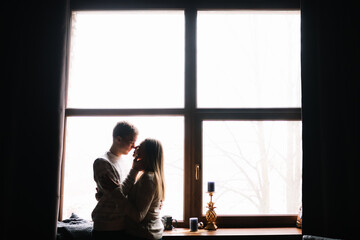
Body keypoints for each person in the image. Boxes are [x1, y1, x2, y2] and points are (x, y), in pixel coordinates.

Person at [91, 121, 141, 240]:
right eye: (131, 141)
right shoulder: (102, 162)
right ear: (118, 139)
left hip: (123, 224)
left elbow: (124, 192)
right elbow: (118, 196)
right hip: (106, 227)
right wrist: (134, 170)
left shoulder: (126, 162)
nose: (134, 146)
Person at [123, 138, 165, 240]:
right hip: (148, 233)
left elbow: (138, 216)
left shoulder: (148, 178)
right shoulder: (153, 176)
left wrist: (116, 195)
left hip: (143, 234)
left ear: (147, 154)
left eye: (139, 148)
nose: (135, 149)